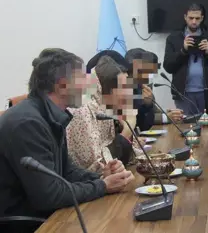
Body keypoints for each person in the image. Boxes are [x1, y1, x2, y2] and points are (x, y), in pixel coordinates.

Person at [0, 49, 135, 233]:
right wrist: (103, 186)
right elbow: (49, 195)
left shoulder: (51, 114)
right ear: (62, 86)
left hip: (47, 214)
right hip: (26, 223)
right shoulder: (28, 123)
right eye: (82, 79)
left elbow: (66, 170)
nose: (89, 87)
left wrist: (103, 176)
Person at [66, 56, 139, 170]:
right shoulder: (83, 110)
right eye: (123, 88)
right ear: (106, 88)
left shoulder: (104, 106)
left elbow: (128, 157)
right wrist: (126, 132)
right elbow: (99, 167)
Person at [163, 3, 208, 116]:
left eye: (197, 18)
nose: (193, 21)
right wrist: (183, 50)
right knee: (186, 127)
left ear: (202, 18)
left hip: (207, 93)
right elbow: (168, 66)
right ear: (185, 17)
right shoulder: (173, 38)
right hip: (183, 94)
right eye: (191, 18)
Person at [125, 48, 183, 125]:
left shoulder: (142, 86)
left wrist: (167, 113)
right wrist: (165, 118)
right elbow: (136, 120)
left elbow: (153, 110)